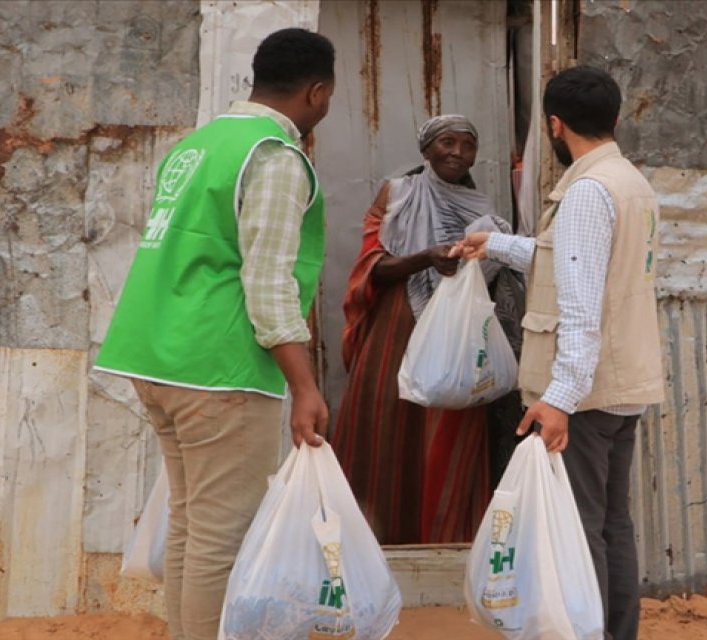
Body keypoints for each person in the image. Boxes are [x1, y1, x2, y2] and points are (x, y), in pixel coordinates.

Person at [93, 28, 335, 640]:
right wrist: (303, 385)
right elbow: (269, 282)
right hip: (217, 369)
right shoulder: (274, 157)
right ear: (317, 91)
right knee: (220, 539)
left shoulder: (197, 146)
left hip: (159, 358)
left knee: (193, 525)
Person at [455, 66, 664, 640]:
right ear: (615, 119)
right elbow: (568, 259)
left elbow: (579, 300)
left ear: (554, 125)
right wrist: (494, 244)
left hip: (586, 395)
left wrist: (560, 399)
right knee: (610, 525)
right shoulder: (628, 182)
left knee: (580, 528)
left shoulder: (587, 192)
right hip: (620, 385)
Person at [332, 115, 524, 545]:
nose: (457, 152)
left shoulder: (481, 209)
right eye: (446, 143)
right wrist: (426, 258)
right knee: (388, 436)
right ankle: (373, 544)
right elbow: (371, 266)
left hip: (455, 342)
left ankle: (444, 541)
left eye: (466, 145)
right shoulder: (398, 194)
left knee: (447, 434)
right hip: (395, 334)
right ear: (426, 150)